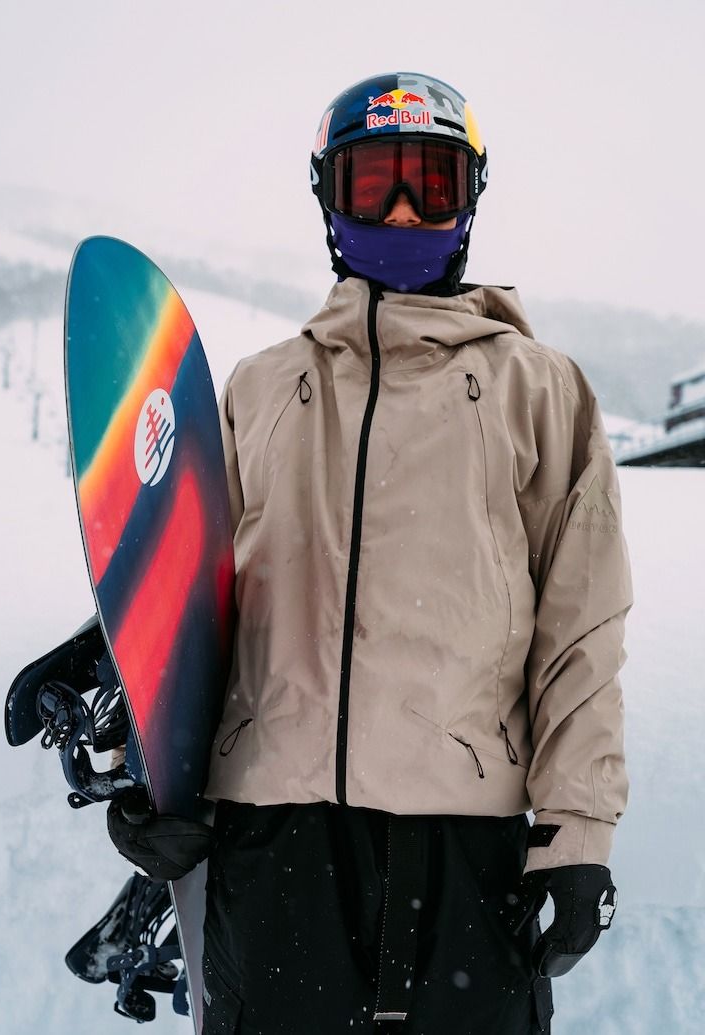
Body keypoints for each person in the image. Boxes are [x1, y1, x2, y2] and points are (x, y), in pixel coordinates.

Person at [108, 72, 632, 1034]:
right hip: (276, 845)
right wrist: (163, 775)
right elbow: (188, 613)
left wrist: (578, 832)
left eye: (428, 185)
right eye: (373, 182)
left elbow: (582, 632)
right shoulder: (259, 391)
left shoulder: (542, 392)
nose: (399, 210)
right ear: (328, 196)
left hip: (468, 851)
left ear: (469, 198)